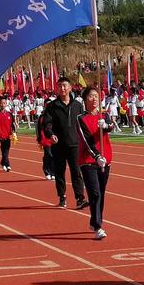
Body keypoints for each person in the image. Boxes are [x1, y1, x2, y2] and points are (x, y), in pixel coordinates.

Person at [43, 77, 89, 209]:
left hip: (75, 144)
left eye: (64, 86)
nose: (62, 88)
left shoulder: (78, 106)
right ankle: (62, 197)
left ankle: (80, 198)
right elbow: (47, 124)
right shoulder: (52, 106)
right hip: (58, 145)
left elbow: (83, 124)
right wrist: (50, 134)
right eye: (60, 86)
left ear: (70, 88)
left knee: (76, 172)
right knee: (60, 172)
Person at [77, 87, 114, 239]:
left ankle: (95, 220)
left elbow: (111, 126)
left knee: (101, 193)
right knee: (95, 192)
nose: (94, 99)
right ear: (85, 100)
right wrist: (97, 156)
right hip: (89, 160)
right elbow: (86, 140)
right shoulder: (81, 118)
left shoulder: (104, 115)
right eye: (91, 96)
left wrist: (105, 126)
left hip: (106, 159)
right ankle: (98, 226)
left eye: (96, 96)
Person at [0, 96, 16, 172]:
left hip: (7, 136)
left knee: (6, 151)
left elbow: (12, 125)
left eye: (4, 103)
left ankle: (4, 164)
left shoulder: (10, 114)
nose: (3, 104)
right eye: (1, 103)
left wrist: (14, 132)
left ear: (6, 104)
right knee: (4, 152)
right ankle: (7, 164)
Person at [36, 100, 55, 180]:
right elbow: (38, 128)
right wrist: (39, 138)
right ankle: (47, 170)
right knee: (49, 154)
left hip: (54, 139)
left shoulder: (55, 115)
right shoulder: (42, 116)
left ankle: (53, 172)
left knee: (53, 156)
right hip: (45, 139)